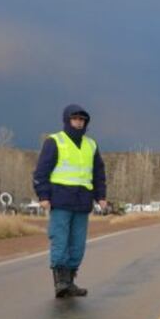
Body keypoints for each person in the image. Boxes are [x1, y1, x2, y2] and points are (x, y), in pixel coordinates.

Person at [33, 104, 107, 298]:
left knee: (78, 245)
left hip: (82, 203)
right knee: (60, 241)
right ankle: (61, 283)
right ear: (67, 120)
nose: (79, 122)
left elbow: (99, 174)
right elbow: (41, 172)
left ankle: (70, 282)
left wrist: (101, 197)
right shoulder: (55, 141)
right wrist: (43, 196)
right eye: (75, 119)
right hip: (60, 201)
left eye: (82, 120)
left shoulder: (91, 145)